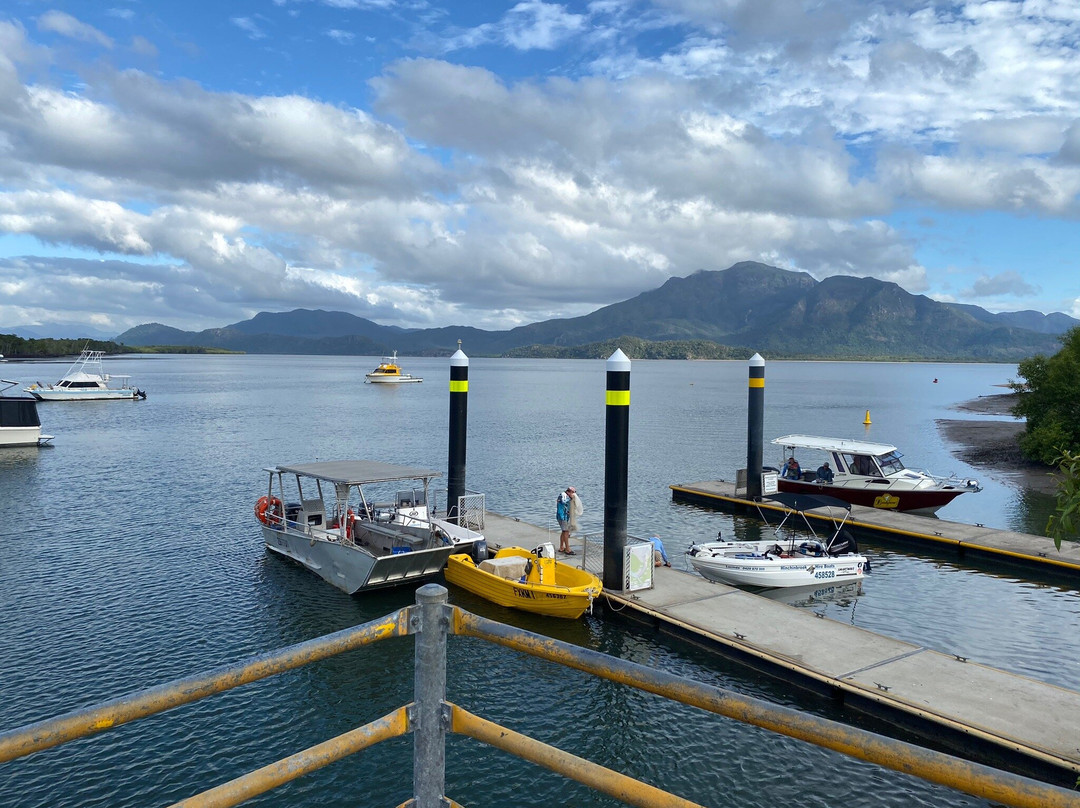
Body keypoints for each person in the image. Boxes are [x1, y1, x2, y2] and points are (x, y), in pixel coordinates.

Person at [556, 486, 576, 554]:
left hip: (564, 516)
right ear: (569, 491)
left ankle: (561, 547)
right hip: (562, 516)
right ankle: (567, 549)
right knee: (566, 531)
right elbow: (563, 502)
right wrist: (570, 499)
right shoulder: (563, 495)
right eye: (573, 492)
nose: (573, 494)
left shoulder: (566, 496)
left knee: (564, 531)